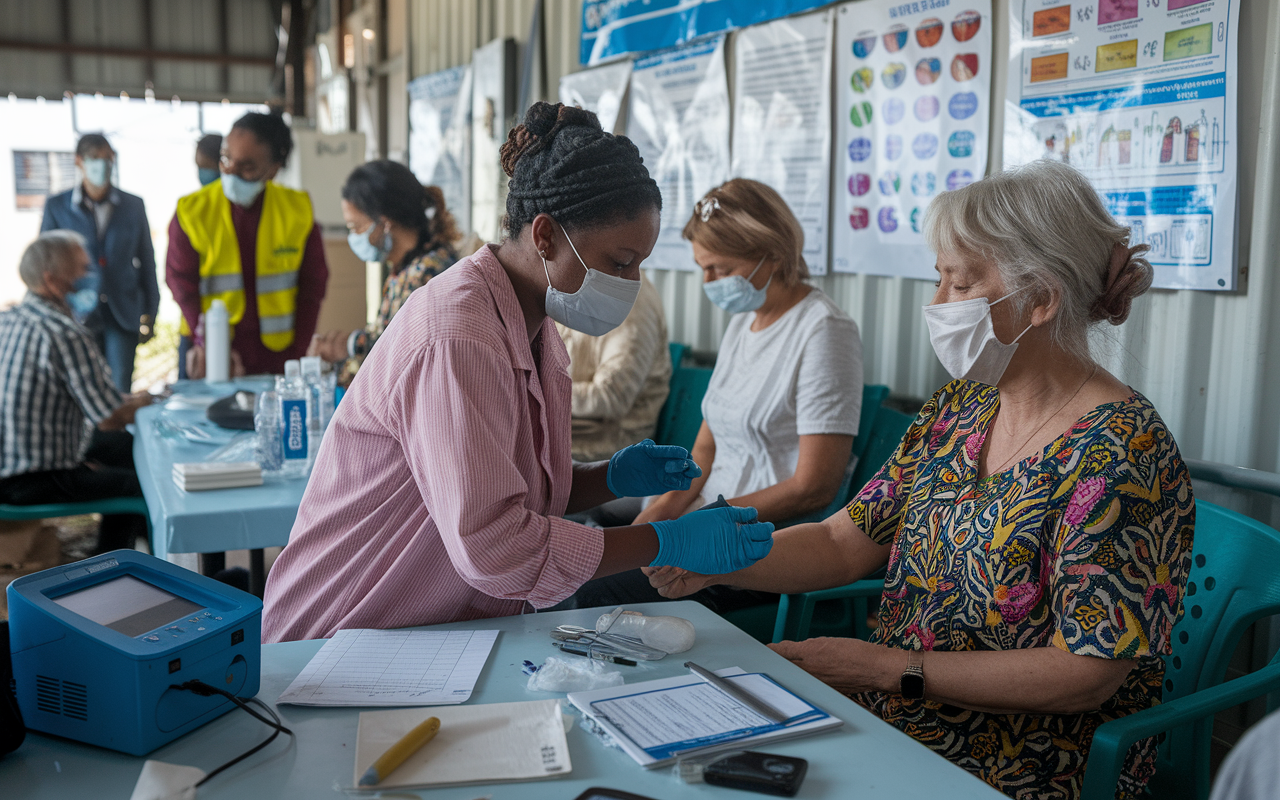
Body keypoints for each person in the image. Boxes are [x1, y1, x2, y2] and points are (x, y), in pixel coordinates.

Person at [647, 159, 1195, 800]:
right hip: (898, 722)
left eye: (960, 285)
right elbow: (840, 542)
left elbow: (1087, 672)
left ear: (1041, 299)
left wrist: (888, 670)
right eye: (939, 280)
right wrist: (723, 559)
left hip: (1024, 765)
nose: (936, 306)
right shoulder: (961, 409)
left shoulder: (1122, 451)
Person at [261, 102, 775, 643]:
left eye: (640, 263)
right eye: (621, 262)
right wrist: (664, 542)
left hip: (423, 632)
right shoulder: (459, 335)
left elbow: (510, 488)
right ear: (546, 236)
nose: (631, 281)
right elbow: (497, 545)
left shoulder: (530, 318)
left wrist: (608, 477)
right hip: (339, 634)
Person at [561, 179, 863, 611]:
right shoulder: (747, 321)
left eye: (720, 269)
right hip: (702, 524)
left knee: (596, 591)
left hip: (757, 544)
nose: (708, 281)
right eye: (703, 268)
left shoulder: (824, 331)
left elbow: (813, 487)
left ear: (772, 254)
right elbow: (706, 445)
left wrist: (704, 526)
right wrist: (664, 512)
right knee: (578, 557)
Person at [0, 231, 153, 553]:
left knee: (126, 447)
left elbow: (98, 403)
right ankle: (111, 563)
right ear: (52, 279)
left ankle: (137, 545)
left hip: (11, 464)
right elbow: (109, 417)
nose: (91, 278)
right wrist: (150, 401)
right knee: (147, 487)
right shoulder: (65, 333)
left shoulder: (9, 319)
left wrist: (135, 401)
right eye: (82, 270)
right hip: (31, 478)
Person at [166, 112, 329, 379]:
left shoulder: (297, 210)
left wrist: (299, 351)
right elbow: (179, 281)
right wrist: (205, 342)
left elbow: (313, 285)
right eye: (226, 158)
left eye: (247, 167)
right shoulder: (192, 211)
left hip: (278, 353)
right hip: (208, 350)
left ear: (273, 169)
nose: (230, 171)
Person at [308, 161, 460, 385]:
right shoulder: (405, 269)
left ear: (385, 222)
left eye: (355, 228)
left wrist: (349, 346)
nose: (353, 238)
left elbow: (400, 356)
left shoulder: (427, 275)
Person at [40, 133, 158, 393]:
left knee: (119, 389)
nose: (102, 166)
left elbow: (147, 262)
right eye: (95, 159)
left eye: (107, 159)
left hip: (122, 311)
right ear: (79, 161)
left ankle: (114, 436)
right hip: (75, 313)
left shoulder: (133, 205)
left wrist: (151, 312)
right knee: (79, 388)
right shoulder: (57, 207)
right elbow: (45, 262)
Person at [558, 271, 670, 463]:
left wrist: (539, 390)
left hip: (608, 446)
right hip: (568, 433)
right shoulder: (572, 288)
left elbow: (612, 396)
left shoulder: (630, 301)